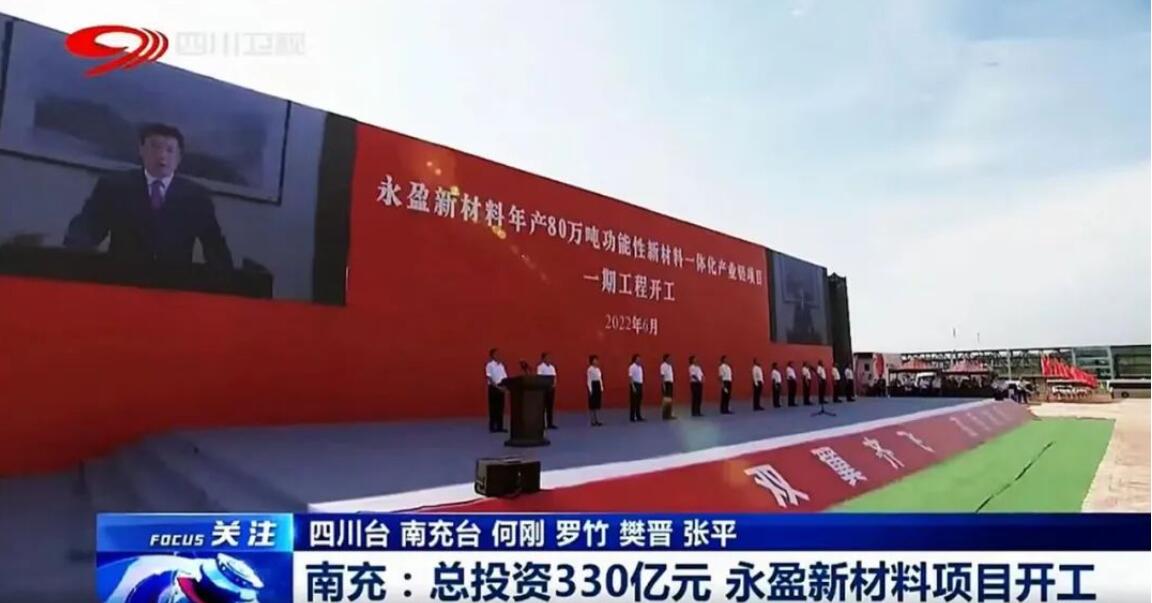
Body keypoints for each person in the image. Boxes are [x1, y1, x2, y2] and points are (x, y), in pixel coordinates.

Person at [64, 123, 233, 269]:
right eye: (155, 147)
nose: (162, 156)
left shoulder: (197, 197)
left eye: (169, 150)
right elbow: (85, 230)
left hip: (174, 287)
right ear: (141, 150)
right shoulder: (114, 186)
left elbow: (216, 249)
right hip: (122, 282)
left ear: (179, 157)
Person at [485, 348, 508, 433]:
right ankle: (492, 427)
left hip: (501, 387)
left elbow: (505, 377)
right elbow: (489, 378)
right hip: (493, 387)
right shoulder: (489, 365)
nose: (498, 355)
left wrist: (505, 386)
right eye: (496, 354)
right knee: (493, 408)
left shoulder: (501, 365)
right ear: (492, 355)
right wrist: (498, 387)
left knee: (500, 408)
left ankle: (500, 427)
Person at [536, 352, 558, 429]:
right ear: (543, 359)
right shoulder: (540, 367)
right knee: (543, 406)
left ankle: (550, 423)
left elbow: (554, 377)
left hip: (551, 388)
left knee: (550, 406)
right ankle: (542, 423)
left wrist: (554, 384)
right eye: (547, 358)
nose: (549, 359)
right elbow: (539, 377)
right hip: (544, 389)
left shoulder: (552, 367)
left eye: (549, 358)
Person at [586, 355, 604, 426]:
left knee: (597, 404)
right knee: (592, 404)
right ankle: (592, 421)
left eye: (596, 360)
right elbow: (589, 380)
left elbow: (600, 379)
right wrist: (590, 389)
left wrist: (601, 387)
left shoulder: (598, 369)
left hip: (598, 385)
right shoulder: (590, 369)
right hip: (593, 385)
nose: (596, 361)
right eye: (594, 360)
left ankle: (597, 420)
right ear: (592, 361)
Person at [628, 354, 645, 422]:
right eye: (637, 359)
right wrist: (633, 387)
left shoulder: (640, 367)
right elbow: (630, 377)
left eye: (639, 359)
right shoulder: (632, 367)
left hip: (640, 384)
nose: (639, 360)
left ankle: (638, 416)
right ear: (634, 359)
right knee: (633, 401)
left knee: (638, 401)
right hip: (635, 384)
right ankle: (632, 417)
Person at [659, 353, 676, 420]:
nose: (670, 359)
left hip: (670, 383)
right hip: (666, 383)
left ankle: (669, 414)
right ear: (666, 359)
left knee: (670, 399)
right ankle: (665, 415)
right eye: (669, 358)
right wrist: (663, 384)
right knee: (666, 399)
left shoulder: (670, 366)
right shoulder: (663, 365)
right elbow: (662, 375)